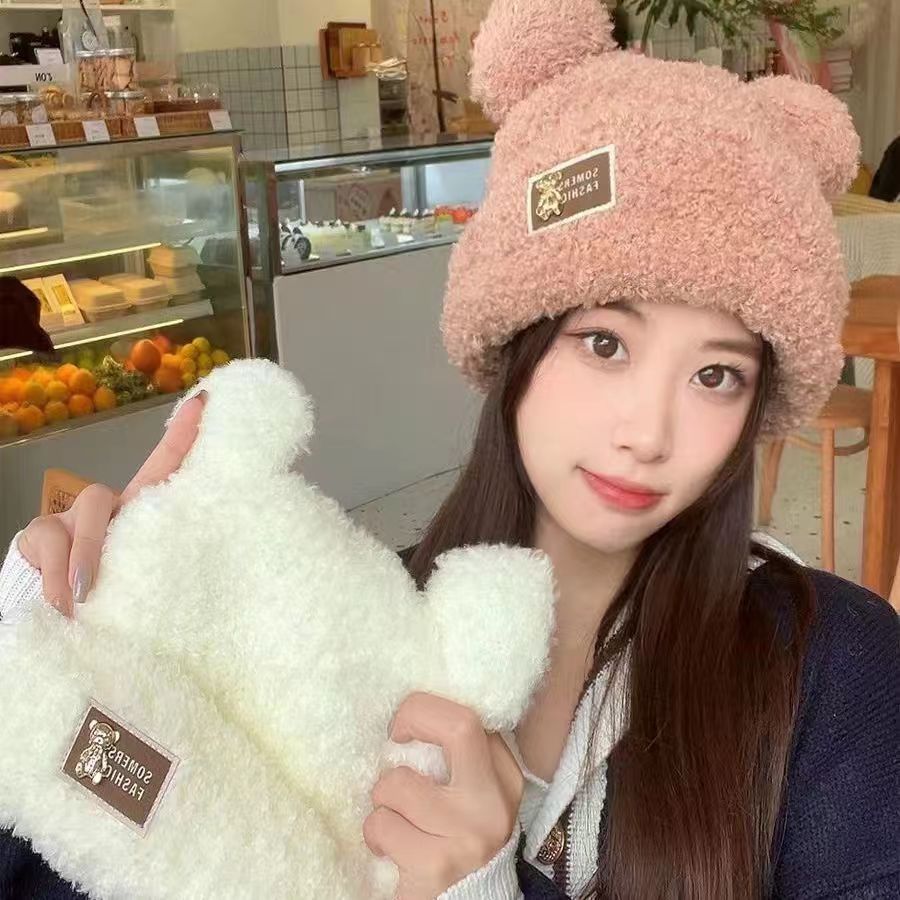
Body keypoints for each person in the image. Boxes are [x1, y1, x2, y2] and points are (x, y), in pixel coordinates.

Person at [2, 1, 899, 897]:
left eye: (716, 376)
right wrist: (57, 646)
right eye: (605, 344)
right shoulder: (343, 623)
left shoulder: (834, 676)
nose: (648, 433)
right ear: (515, 340)